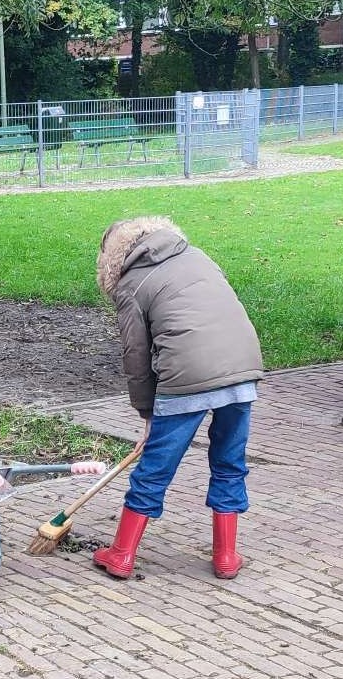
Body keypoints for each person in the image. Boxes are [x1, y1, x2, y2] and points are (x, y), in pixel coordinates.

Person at [91, 217, 263, 580]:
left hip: (188, 374)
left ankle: (121, 554)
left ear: (112, 257)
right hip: (243, 366)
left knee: (155, 467)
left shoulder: (131, 284)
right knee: (230, 460)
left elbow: (135, 358)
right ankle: (227, 557)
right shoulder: (199, 257)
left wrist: (147, 412)